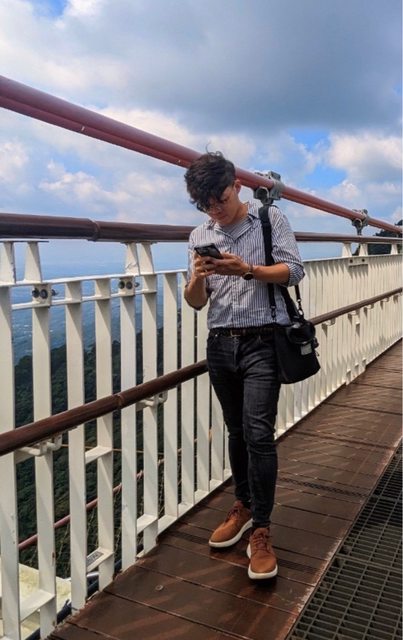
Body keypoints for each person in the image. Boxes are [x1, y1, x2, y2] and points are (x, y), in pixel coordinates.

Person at [184, 151, 304, 580]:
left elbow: (294, 271)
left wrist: (248, 270)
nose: (215, 210)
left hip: (263, 341)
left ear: (236, 185)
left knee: (258, 434)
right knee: (236, 430)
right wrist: (199, 277)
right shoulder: (200, 234)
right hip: (220, 343)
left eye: (220, 199)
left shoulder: (269, 220)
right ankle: (244, 505)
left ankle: (262, 529)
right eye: (205, 205)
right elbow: (196, 303)